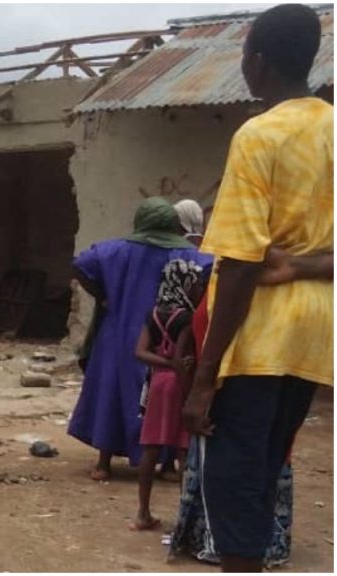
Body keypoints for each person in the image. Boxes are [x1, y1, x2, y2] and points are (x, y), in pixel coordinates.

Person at [182, 6, 333, 572]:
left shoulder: (260, 134)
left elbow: (240, 266)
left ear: (258, 62)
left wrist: (204, 375)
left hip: (260, 340)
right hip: (316, 339)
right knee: (264, 469)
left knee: (232, 481)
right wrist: (302, 266)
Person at [169, 246, 333, 568]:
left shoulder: (242, 270)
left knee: (238, 484)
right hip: (301, 351)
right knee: (254, 480)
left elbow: (240, 269)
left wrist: (202, 383)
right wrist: (301, 267)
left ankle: (239, 554)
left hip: (247, 364)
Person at [68, 196, 211, 481]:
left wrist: (103, 295)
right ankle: (168, 464)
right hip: (169, 335)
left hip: (117, 333)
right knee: (169, 397)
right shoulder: (187, 256)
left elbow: (80, 263)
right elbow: (210, 271)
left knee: (110, 392)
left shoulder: (115, 251)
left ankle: (104, 463)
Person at [132, 259, 203, 531]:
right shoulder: (187, 317)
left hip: (156, 384)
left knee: (152, 446)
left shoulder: (154, 313)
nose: (198, 289)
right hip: (179, 384)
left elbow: (140, 352)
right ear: (183, 283)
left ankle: (142, 512)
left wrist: (163, 362)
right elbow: (183, 355)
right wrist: (184, 381)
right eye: (195, 283)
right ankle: (186, 517)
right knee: (184, 448)